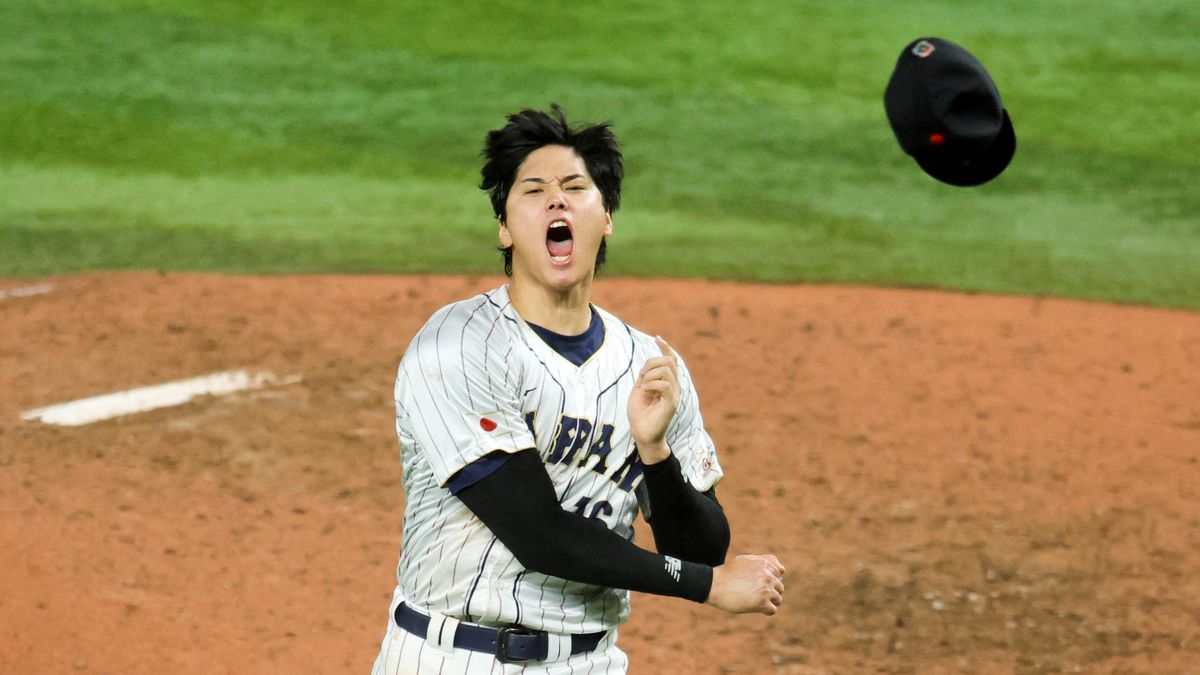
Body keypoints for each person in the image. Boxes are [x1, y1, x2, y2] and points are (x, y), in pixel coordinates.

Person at [371, 105, 785, 674]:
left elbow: (700, 546)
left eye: (574, 187)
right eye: (533, 190)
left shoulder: (650, 365)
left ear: (606, 216)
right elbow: (539, 534)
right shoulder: (458, 346)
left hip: (589, 663)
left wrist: (656, 455)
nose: (556, 201)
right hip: (454, 657)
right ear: (505, 226)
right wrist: (707, 587)